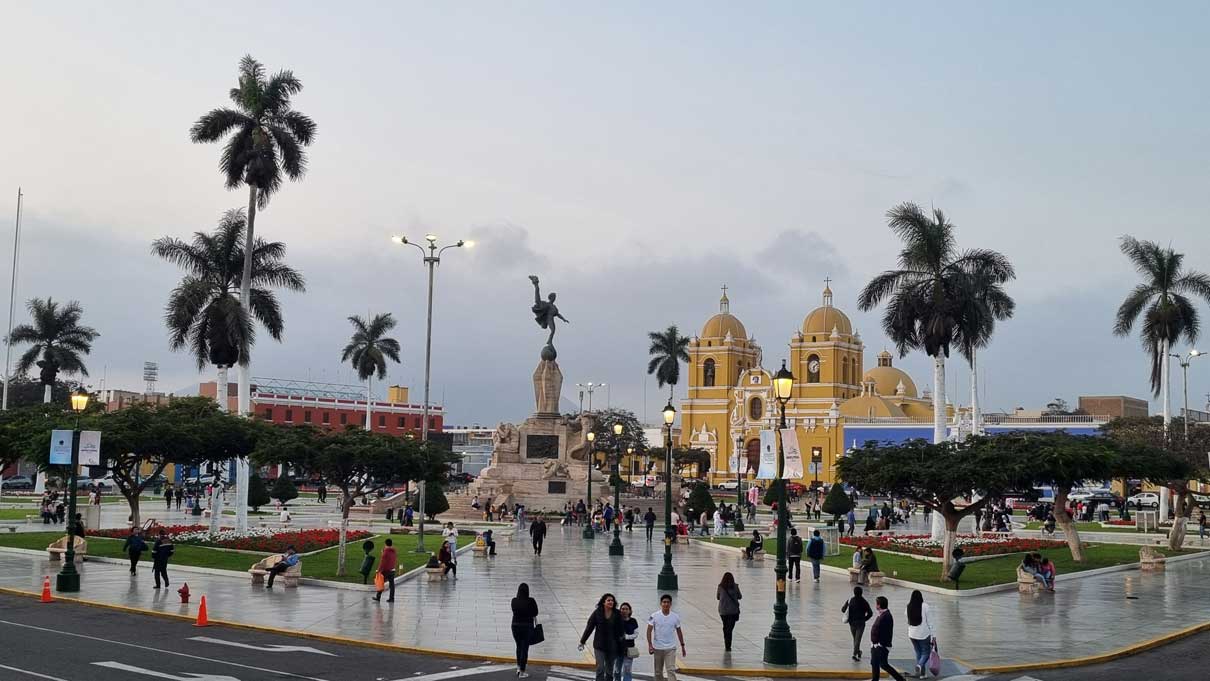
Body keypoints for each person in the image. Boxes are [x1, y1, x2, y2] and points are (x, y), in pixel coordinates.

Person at [579, 593, 623, 681]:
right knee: (600, 668)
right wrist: (582, 641)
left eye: (612, 600)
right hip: (599, 646)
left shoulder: (617, 613)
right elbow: (589, 628)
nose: (611, 602)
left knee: (609, 670)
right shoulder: (597, 613)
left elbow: (621, 630)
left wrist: (621, 646)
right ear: (604, 602)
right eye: (608, 600)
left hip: (612, 646)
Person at [647, 594, 686, 681]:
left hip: (670, 648)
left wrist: (682, 645)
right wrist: (650, 645)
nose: (666, 604)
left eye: (668, 602)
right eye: (664, 602)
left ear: (671, 604)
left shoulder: (675, 617)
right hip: (657, 648)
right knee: (658, 671)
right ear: (661, 603)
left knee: (671, 670)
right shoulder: (654, 616)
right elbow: (649, 631)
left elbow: (679, 631)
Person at [870, 595, 907, 681]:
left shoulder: (886, 616)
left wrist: (880, 644)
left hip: (881, 646)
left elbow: (886, 632)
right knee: (875, 663)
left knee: (883, 664)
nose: (875, 605)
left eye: (876, 603)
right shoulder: (882, 614)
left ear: (879, 605)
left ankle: (900, 679)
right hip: (875, 645)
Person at [512, 583, 539, 678]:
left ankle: (518, 668)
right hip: (527, 627)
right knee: (524, 648)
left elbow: (514, 611)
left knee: (518, 647)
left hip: (515, 626)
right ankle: (522, 672)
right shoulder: (531, 601)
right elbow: (536, 612)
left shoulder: (514, 601)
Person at [906, 590, 936, 678]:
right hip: (923, 634)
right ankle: (919, 665)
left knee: (918, 653)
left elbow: (906, 618)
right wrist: (934, 636)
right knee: (926, 652)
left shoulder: (908, 606)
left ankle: (922, 674)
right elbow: (930, 622)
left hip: (912, 634)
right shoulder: (925, 606)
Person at [841, 585, 874, 661]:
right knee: (857, 639)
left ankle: (854, 654)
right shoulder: (864, 602)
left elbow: (843, 610)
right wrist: (864, 619)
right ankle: (858, 652)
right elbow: (870, 613)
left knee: (855, 639)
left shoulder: (850, 600)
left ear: (854, 593)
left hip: (852, 623)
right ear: (861, 593)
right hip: (861, 624)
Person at [716, 572, 742, 652]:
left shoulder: (720, 587)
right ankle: (728, 645)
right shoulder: (735, 586)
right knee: (730, 628)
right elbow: (740, 596)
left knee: (725, 626)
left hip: (723, 611)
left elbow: (717, 597)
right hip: (733, 611)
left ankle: (726, 643)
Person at [615, 602, 639, 681]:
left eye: (626, 609)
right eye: (622, 609)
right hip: (617, 649)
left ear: (630, 611)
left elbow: (636, 634)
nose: (624, 611)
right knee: (617, 670)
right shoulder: (617, 621)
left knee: (627, 670)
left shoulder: (633, 621)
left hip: (629, 649)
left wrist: (626, 637)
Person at [373, 538, 398, 602]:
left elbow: (382, 562)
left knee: (380, 583)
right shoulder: (394, 550)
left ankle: (378, 597)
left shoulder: (385, 552)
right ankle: (392, 598)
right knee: (392, 585)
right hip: (392, 569)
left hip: (386, 570)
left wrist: (378, 570)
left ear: (385, 544)